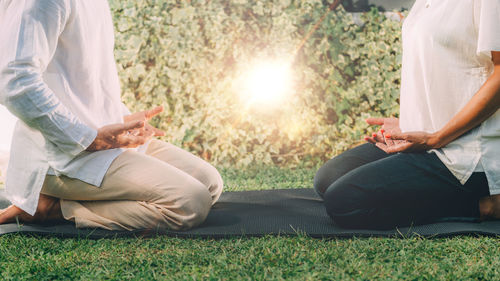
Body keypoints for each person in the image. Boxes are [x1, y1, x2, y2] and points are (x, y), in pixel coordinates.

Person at [0, 0, 223, 231]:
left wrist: (120, 120)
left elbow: (85, 78)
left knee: (209, 183)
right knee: (189, 203)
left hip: (100, 140)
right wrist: (87, 137)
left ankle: (58, 201)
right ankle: (52, 208)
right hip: (60, 157)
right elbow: (16, 82)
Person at [314, 0, 500, 229]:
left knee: (344, 201)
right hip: (430, 137)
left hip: (469, 152)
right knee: (328, 178)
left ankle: (485, 205)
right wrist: (413, 120)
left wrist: (437, 137)